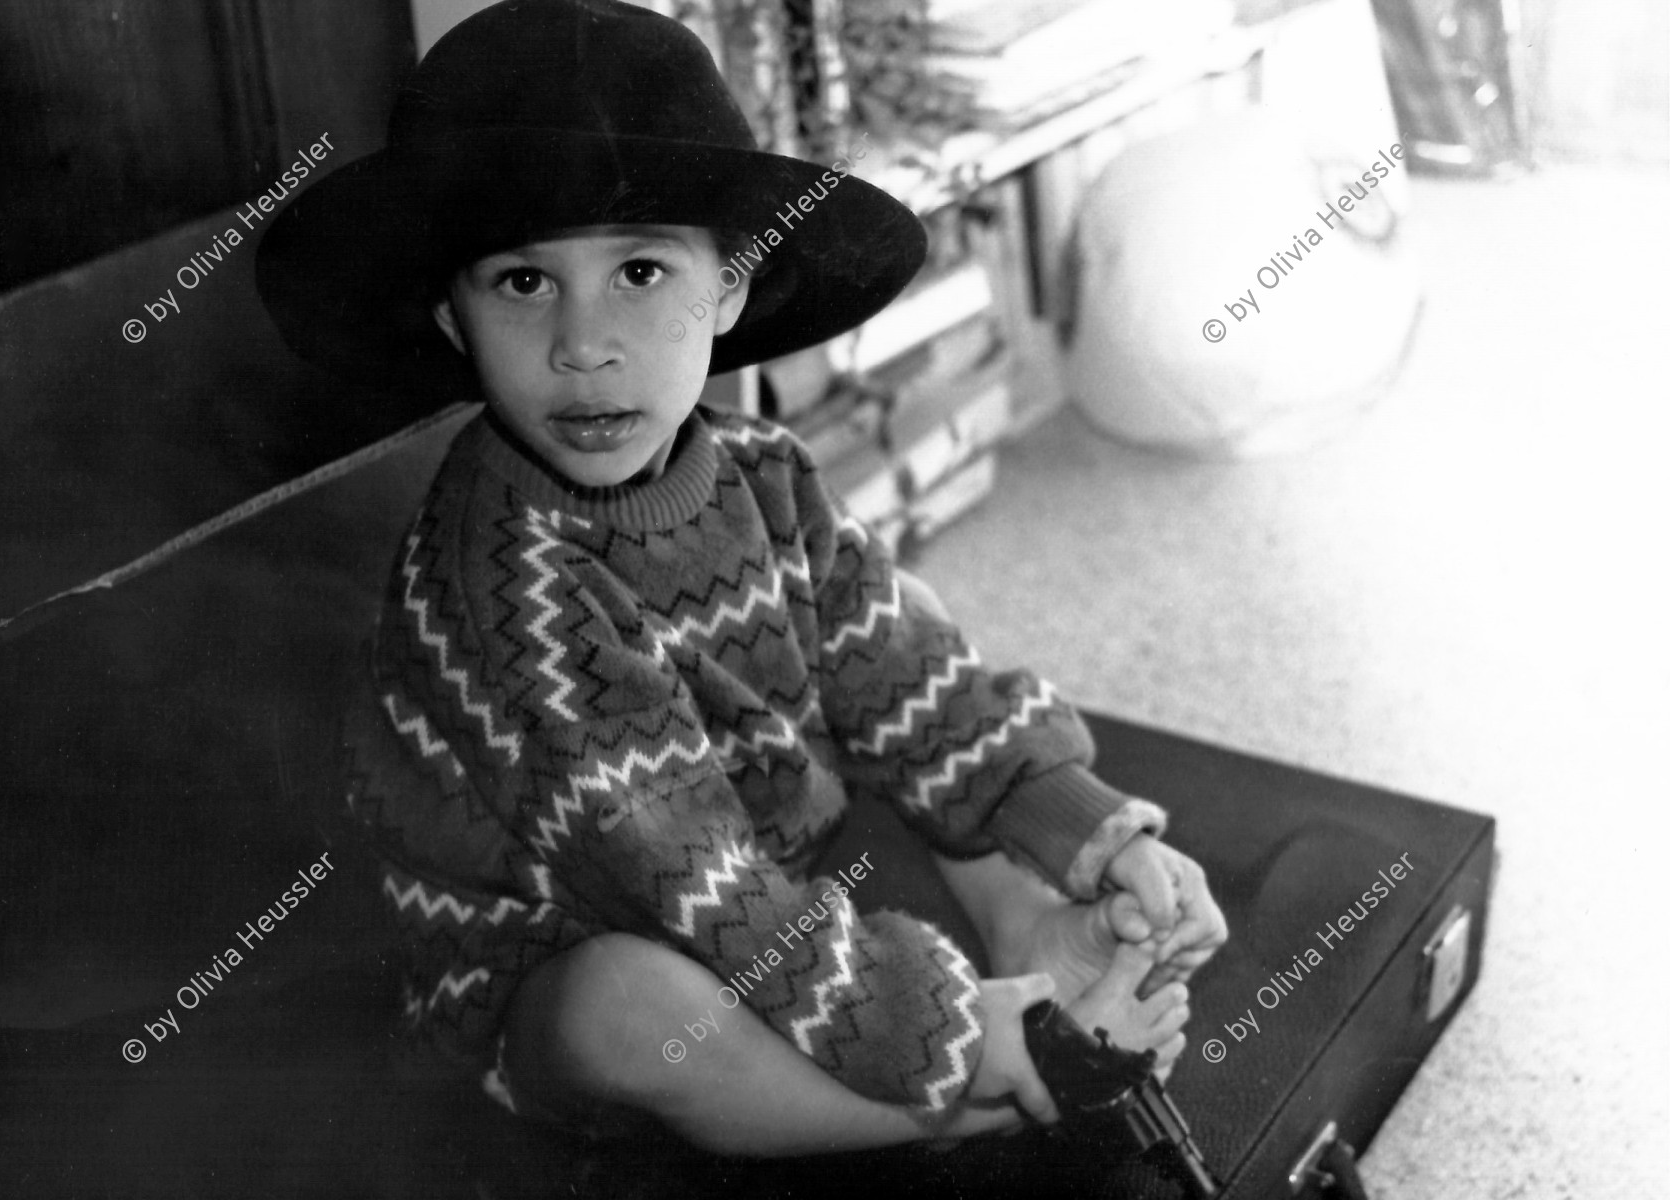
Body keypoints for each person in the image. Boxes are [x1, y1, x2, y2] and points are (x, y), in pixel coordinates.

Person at [255, 0, 1226, 1174]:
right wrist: (965, 1046)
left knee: (931, 778)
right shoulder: (509, 595)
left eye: (643, 270)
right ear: (448, 318)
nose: (583, 343)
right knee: (636, 1007)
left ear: (729, 290)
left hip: (758, 869)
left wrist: (1084, 834)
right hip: (566, 937)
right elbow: (696, 889)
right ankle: (1000, 1085)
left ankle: (1038, 944)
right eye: (520, 283)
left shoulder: (764, 471)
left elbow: (907, 676)